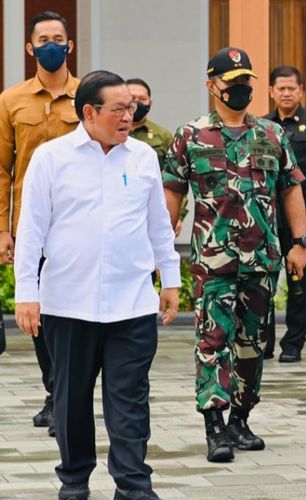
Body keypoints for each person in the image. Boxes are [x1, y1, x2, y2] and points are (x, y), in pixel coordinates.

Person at [13, 69, 180, 500]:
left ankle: (133, 486)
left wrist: (171, 278)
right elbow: (30, 231)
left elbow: (159, 224)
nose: (130, 115)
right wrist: (26, 294)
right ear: (90, 112)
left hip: (132, 304)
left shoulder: (142, 157)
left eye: (133, 108)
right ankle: (74, 481)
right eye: (120, 108)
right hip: (68, 304)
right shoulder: (51, 159)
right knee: (70, 400)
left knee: (129, 400)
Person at [162, 47, 306, 463]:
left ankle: (241, 419)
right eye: (233, 83)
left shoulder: (271, 134)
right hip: (213, 260)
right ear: (212, 87)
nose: (242, 89)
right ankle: (214, 424)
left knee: (253, 342)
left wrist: (300, 243)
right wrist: (160, 246)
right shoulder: (190, 135)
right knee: (213, 340)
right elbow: (172, 191)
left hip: (262, 259)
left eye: (246, 82)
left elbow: (292, 187)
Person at [0, 10, 80, 438]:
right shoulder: (10, 101)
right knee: (37, 313)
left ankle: (66, 394)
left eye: (58, 38)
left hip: (78, 225)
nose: (51, 44)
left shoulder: (88, 95)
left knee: (70, 312)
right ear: (30, 48)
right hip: (33, 227)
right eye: (42, 38)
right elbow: (2, 170)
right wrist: (3, 229)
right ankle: (56, 391)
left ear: (69, 45)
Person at [265, 66, 306, 362]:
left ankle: (293, 345)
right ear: (271, 92)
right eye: (281, 88)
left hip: (303, 219)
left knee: (298, 284)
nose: (287, 93)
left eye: (292, 88)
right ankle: (262, 343)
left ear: (301, 90)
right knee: (262, 282)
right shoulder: (262, 127)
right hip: (266, 219)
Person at [126, 78, 187, 235]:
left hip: (152, 208)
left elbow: (176, 177)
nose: (137, 103)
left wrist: (178, 215)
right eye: (132, 99)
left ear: (150, 102)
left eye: (142, 99)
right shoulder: (113, 132)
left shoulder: (162, 135)